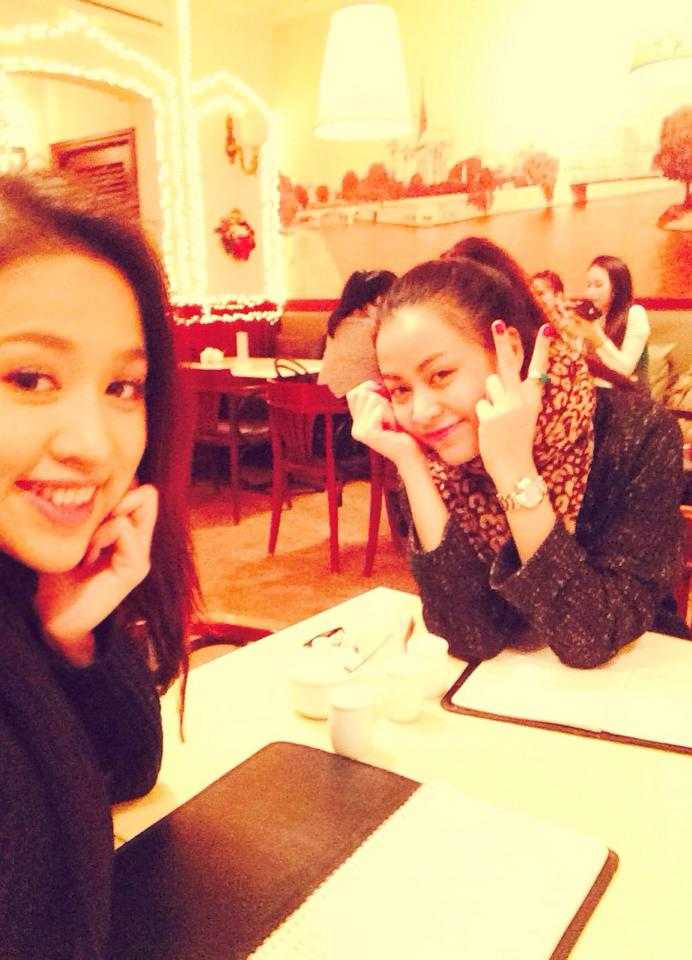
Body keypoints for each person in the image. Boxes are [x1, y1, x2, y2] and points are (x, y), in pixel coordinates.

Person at [0, 174, 196, 958]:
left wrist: (73, 638)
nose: (92, 443)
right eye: (28, 378)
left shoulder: (23, 579)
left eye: (122, 387)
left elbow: (127, 772)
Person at [347, 250, 687, 669]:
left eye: (441, 375)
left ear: (507, 347)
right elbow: (469, 635)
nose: (421, 411)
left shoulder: (638, 432)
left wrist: (513, 470)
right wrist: (412, 466)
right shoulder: (435, 458)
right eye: (400, 389)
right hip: (508, 685)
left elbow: (591, 636)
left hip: (641, 673)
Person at [572, 255, 650, 388]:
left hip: (627, 396)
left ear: (617, 287)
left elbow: (624, 370)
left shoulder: (635, 314)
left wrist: (595, 336)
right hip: (592, 393)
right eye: (589, 285)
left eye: (598, 285)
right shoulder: (592, 317)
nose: (590, 292)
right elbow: (577, 366)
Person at [318, 269, 396, 397]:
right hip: (356, 404)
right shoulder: (374, 328)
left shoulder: (337, 324)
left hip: (321, 400)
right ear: (376, 300)